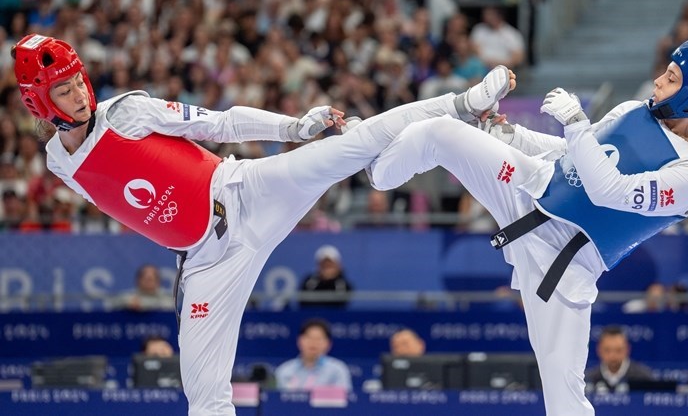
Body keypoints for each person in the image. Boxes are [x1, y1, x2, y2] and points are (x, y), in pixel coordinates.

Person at [11, 33, 507, 415]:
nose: (78, 93)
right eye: (63, 88)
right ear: (39, 101)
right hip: (206, 263)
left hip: (245, 193)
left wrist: (292, 128)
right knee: (204, 398)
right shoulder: (59, 162)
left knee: (348, 148)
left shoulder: (129, 111)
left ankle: (461, 106)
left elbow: (219, 123)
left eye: (79, 80)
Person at [366, 36, 688, 415]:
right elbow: (572, 155)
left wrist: (577, 123)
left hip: (564, 266)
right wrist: (515, 136)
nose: (659, 81)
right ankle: (371, 168)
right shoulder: (635, 110)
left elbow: (608, 191)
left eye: (672, 78)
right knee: (441, 133)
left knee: (565, 402)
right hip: (528, 187)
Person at [274, 318, 352, 391]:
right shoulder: (284, 371)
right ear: (299, 341)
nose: (313, 342)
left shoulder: (337, 371)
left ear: (328, 344)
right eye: (309, 337)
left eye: (318, 339)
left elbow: (343, 402)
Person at [585, 325, 654, 394]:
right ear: (599, 350)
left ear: (627, 349)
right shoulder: (588, 379)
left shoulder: (644, 378)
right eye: (607, 350)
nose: (612, 356)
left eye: (618, 350)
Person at [299, 244, 353, 309]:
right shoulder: (309, 281)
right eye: (324, 265)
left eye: (330, 265)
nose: (327, 268)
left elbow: (342, 303)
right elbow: (304, 302)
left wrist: (331, 280)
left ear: (338, 265)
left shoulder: (343, 283)